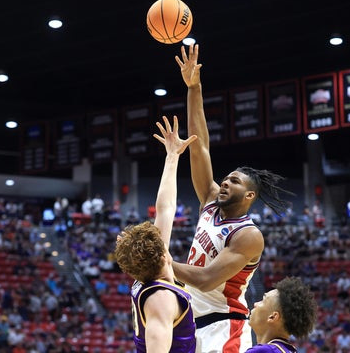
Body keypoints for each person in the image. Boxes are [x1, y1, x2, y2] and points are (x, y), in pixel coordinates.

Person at [173, 43, 291, 353]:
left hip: (224, 326)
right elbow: (199, 146)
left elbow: (208, 279)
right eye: (225, 178)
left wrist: (160, 263)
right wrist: (194, 87)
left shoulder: (249, 235)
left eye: (234, 181)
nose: (224, 182)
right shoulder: (210, 201)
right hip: (189, 322)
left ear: (249, 194)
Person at [114, 115, 197, 353]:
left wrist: (172, 157)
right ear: (163, 256)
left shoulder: (148, 277)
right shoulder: (161, 298)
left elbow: (166, 208)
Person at [247, 277, 317, 352]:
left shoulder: (263, 351)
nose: (255, 304)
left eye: (262, 301)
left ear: (273, 317)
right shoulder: (291, 350)